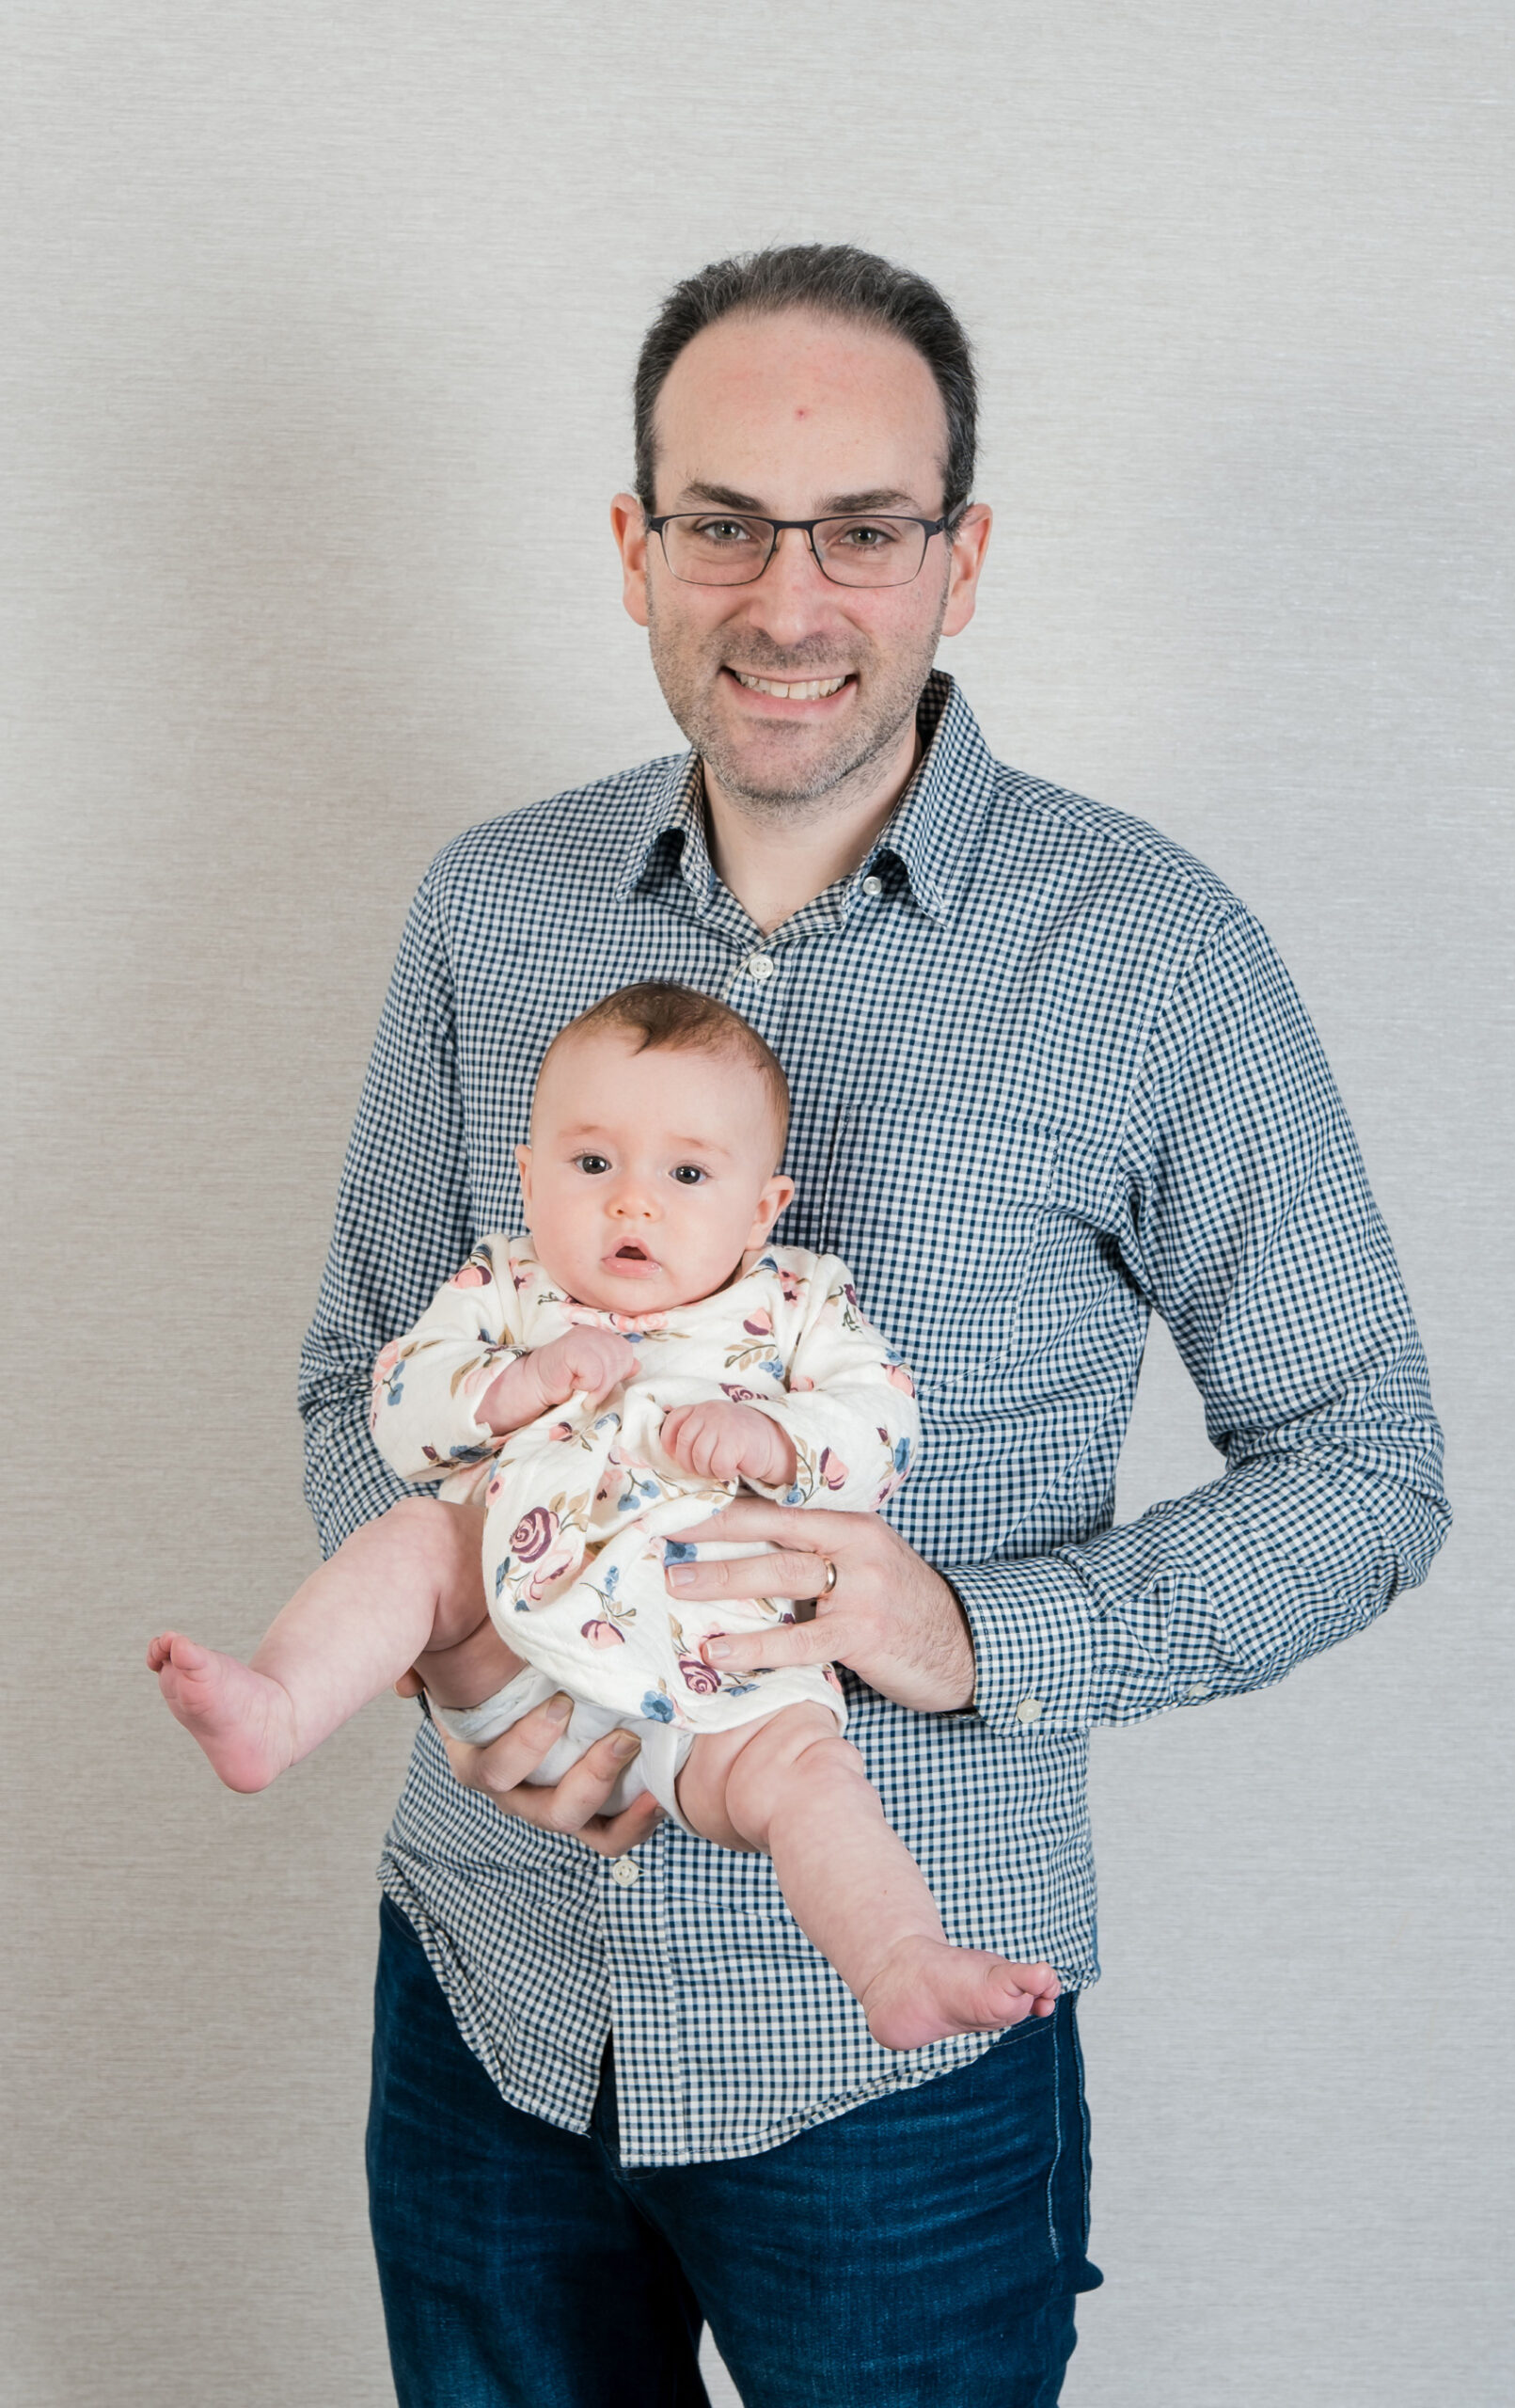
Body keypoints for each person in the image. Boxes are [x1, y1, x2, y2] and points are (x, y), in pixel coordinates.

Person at [300, 244, 1448, 2405]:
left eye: (862, 530)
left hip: (884, 2061)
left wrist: (974, 1627)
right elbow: (353, 1367)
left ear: (960, 559)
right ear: (634, 548)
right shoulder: (485, 908)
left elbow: (1364, 1468)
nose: (788, 598)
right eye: (723, 522)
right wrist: (452, 1643)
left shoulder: (1153, 955)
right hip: (487, 1992)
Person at [150, 981, 1058, 2052]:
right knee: (418, 1544)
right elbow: (394, 1404)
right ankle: (281, 1707)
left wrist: (775, 1441)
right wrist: (515, 1385)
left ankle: (896, 1957)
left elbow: (883, 1425)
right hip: (512, 1650)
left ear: (762, 1209)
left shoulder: (797, 1304)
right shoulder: (505, 1287)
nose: (633, 1204)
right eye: (591, 1165)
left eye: (687, 1174)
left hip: (721, 1676)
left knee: (809, 1773)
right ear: (529, 1178)